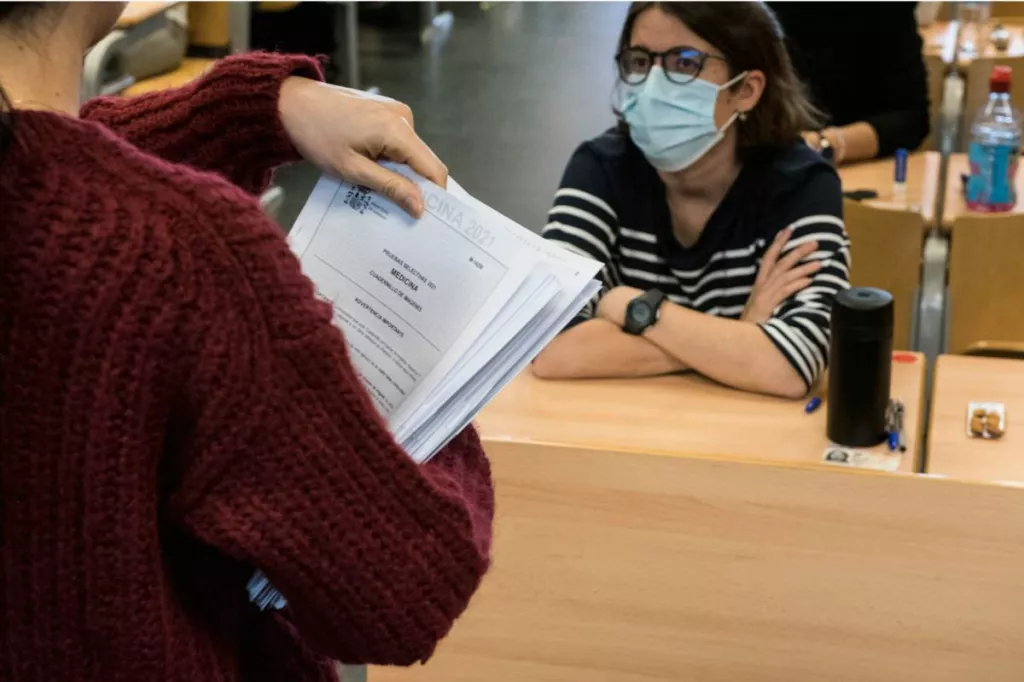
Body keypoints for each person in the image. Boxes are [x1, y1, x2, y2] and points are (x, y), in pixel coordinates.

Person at [0, 3, 493, 681]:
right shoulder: (189, 259)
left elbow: (50, 156)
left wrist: (255, 108)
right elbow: (405, 590)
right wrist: (448, 388)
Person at [533, 1, 850, 399]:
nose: (652, 84)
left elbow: (794, 364)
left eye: (684, 64)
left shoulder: (801, 186)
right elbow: (546, 349)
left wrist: (631, 306)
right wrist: (741, 332)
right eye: (640, 61)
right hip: (617, 434)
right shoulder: (600, 169)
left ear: (746, 90)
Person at [768, 2, 930, 164]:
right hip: (768, 160)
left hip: (853, 164)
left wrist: (826, 144)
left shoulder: (888, 10)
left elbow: (911, 120)